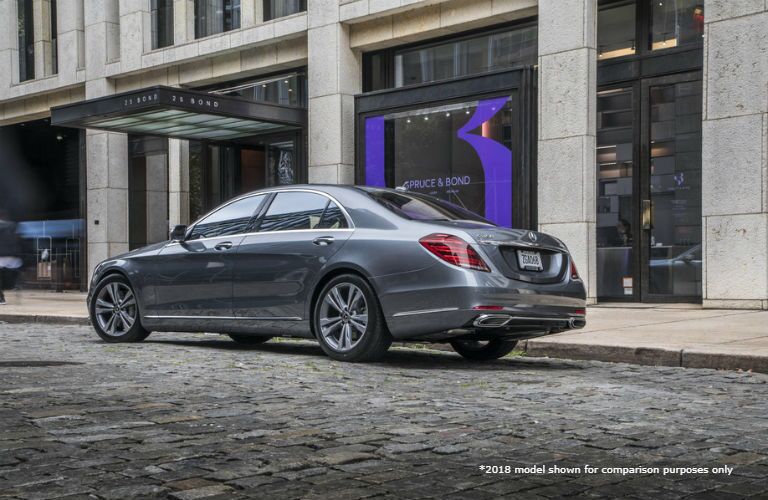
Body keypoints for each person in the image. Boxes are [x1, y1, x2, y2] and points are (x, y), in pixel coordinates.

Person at [0, 209, 22, 304]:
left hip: (1, 255)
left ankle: (1, 298)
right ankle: (16, 284)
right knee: (13, 271)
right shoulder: (13, 226)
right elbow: (19, 240)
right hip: (14, 256)